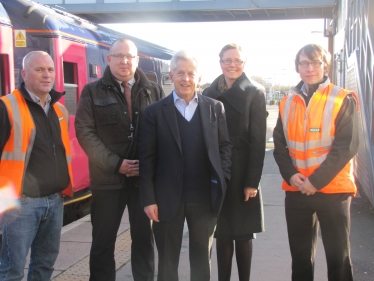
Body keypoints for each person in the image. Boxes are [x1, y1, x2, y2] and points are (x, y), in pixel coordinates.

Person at [75, 38, 164, 281]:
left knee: (144, 241)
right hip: (107, 181)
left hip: (143, 183)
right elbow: (85, 133)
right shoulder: (91, 92)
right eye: (119, 56)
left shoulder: (153, 91)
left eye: (130, 56)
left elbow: (164, 133)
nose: (125, 61)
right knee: (103, 243)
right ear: (108, 59)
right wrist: (117, 164)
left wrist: (149, 168)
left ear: (137, 60)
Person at [139, 50, 232, 281]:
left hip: (204, 198)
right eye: (180, 72)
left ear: (199, 78)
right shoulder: (154, 112)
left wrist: (223, 179)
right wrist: (149, 198)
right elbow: (147, 158)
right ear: (171, 75)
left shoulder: (215, 108)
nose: (185, 78)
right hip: (166, 199)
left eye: (191, 73)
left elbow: (224, 148)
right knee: (168, 261)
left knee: (202, 259)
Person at [273, 43, 358, 281]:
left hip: (332, 190)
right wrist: (291, 175)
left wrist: (316, 181)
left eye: (315, 63)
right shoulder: (286, 102)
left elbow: (347, 146)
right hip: (296, 189)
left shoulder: (342, 98)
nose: (310, 68)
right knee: (300, 259)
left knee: (338, 258)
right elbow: (279, 147)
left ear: (325, 65)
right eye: (304, 63)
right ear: (297, 67)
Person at [0, 51, 73, 281]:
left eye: (50, 70)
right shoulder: (6, 107)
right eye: (39, 69)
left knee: (44, 266)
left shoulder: (60, 110)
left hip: (55, 200)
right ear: (24, 74)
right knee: (11, 269)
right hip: (19, 203)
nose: (46, 75)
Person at [203, 43, 267, 281]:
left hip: (242, 174)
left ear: (244, 63)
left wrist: (252, 181)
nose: (232, 65)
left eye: (237, 60)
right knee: (221, 233)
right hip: (217, 171)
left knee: (242, 233)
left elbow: (259, 142)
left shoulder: (254, 92)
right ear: (220, 62)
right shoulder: (208, 93)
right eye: (228, 60)